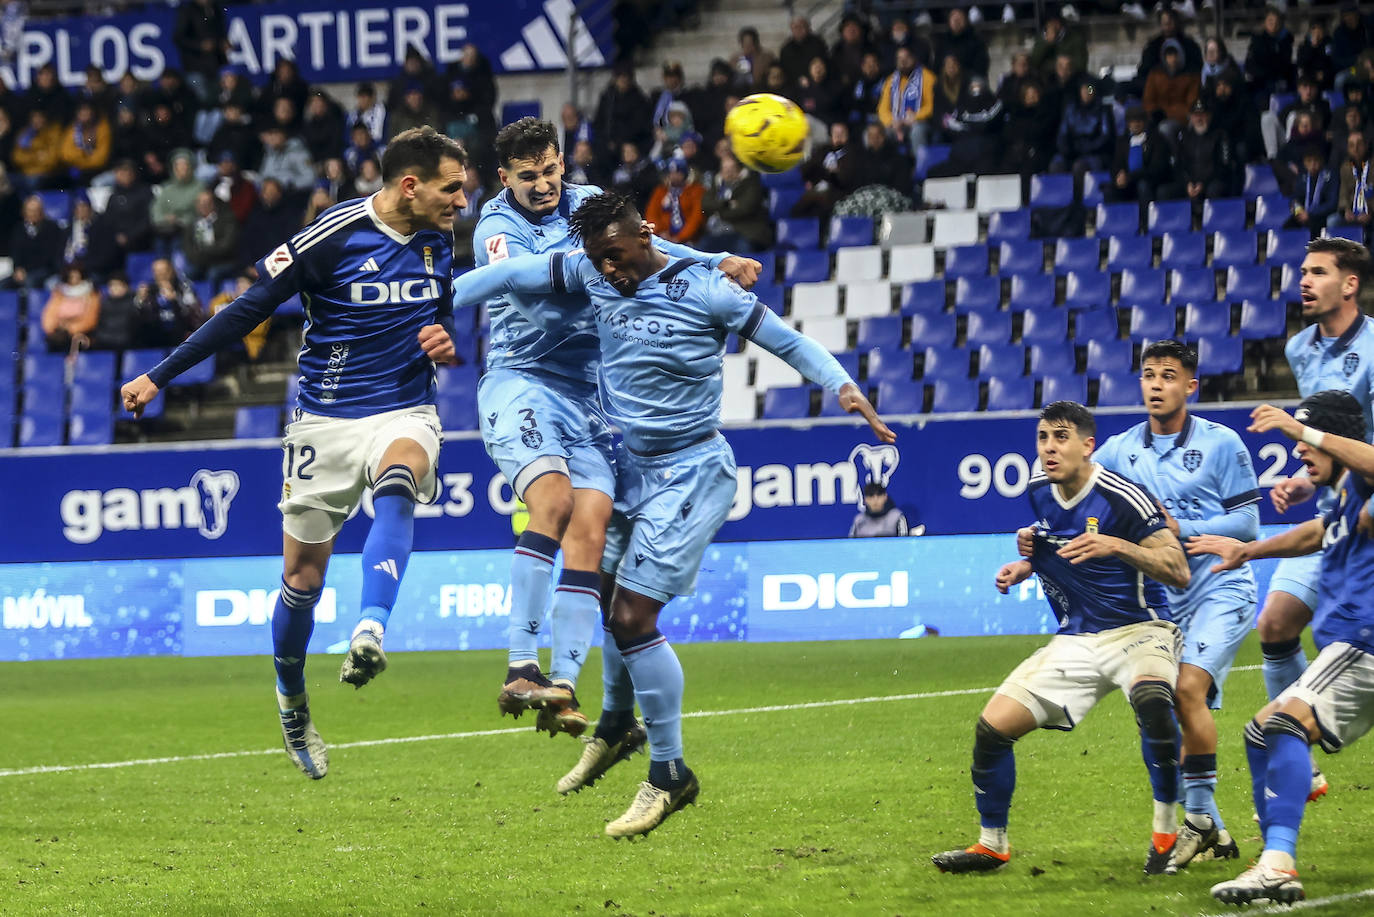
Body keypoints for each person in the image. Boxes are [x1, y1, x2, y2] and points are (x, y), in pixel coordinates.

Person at [453, 189, 894, 837]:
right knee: (602, 591)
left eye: (615, 256)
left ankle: (669, 774)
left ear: (646, 234)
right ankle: (614, 724)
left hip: (692, 468)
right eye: (596, 261)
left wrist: (843, 387)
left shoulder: (707, 288)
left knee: (634, 616)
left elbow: (789, 342)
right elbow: (505, 274)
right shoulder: (587, 270)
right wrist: (432, 304)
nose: (607, 272)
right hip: (631, 465)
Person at [120, 127, 469, 780]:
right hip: (324, 425)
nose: (462, 202)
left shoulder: (437, 238)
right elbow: (244, 310)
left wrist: (446, 341)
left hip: (404, 406)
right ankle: (291, 699)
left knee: (398, 481)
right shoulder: (329, 236)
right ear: (411, 185)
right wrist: (158, 376)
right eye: (453, 188)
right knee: (302, 582)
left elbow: (440, 315)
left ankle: (370, 627)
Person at [470, 118, 760, 740]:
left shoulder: (584, 203)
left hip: (587, 398)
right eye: (529, 177)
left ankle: (564, 682)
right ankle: (521, 665)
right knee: (553, 499)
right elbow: (533, 303)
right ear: (505, 179)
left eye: (550, 170)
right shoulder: (497, 230)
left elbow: (647, 247)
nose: (544, 185)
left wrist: (715, 258)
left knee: (594, 522)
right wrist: (607, 293)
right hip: (523, 381)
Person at [932, 401, 1189, 875]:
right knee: (992, 729)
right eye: (1043, 438)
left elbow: (1178, 570)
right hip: (1077, 639)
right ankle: (992, 845)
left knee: (1153, 700)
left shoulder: (1122, 496)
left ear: (1088, 446)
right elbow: (1060, 544)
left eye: (1061, 438)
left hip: (1140, 630)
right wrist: (1028, 564)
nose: (1050, 448)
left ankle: (1167, 833)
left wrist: (1117, 544)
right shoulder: (1039, 492)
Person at [1192, 392, 1374, 905]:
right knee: (1260, 732)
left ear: (1337, 438)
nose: (1298, 452)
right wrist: (1249, 548)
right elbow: (1313, 535)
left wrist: (1302, 431)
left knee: (1286, 723)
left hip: (1365, 642)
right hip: (1352, 645)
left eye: (1309, 440)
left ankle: (1276, 863)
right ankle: (1273, 857)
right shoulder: (1343, 495)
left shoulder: (1364, 477)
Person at [1086, 341, 1258, 871]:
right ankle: (1217, 831)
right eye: (1148, 375)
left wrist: (1188, 528)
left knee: (1186, 690)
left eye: (1168, 375)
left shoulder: (1222, 444)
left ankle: (1198, 822)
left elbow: (1249, 524)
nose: (1156, 384)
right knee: (1159, 710)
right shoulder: (1117, 452)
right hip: (1160, 601)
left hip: (1221, 587)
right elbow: (1092, 512)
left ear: (1191, 386)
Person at [1245, 237, 1374, 801]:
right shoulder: (1300, 348)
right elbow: (1326, 426)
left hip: (1367, 506)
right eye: (1302, 271)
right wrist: (1310, 474)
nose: (1303, 280)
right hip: (1336, 510)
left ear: (1350, 284)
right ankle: (1299, 755)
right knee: (1274, 624)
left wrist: (1307, 438)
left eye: (1318, 272)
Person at [41, 263, 101, 352]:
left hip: (81, 333)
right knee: (54, 341)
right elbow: (49, 315)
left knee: (77, 341)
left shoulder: (92, 295)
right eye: (71, 276)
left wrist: (70, 329)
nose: (74, 279)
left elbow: (90, 318)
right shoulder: (59, 294)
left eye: (77, 276)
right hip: (59, 331)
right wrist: (53, 327)